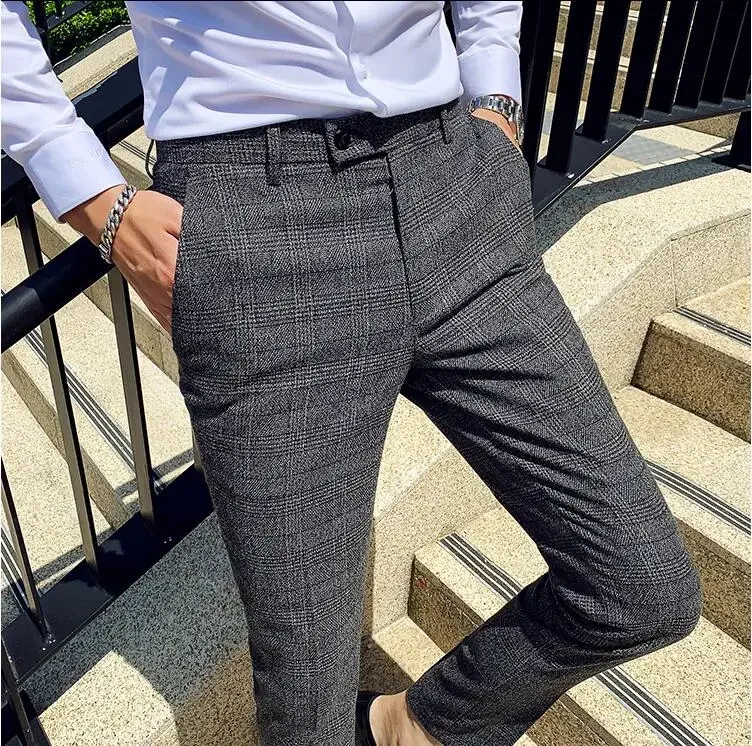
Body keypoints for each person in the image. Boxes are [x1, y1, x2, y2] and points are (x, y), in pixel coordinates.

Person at [1, 2, 703, 745]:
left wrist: (495, 89)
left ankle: (407, 725)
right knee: (308, 714)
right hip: (256, 228)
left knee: (641, 586)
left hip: (456, 187)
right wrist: (93, 197)